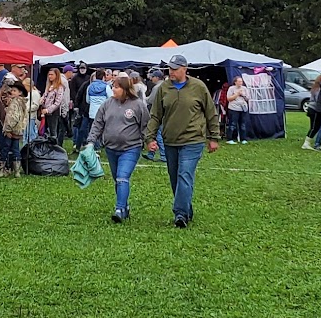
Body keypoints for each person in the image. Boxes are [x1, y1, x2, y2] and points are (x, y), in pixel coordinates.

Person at [143, 53, 220, 227]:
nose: (171, 72)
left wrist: (213, 137)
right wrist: (150, 137)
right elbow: (156, 115)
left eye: (175, 69)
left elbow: (210, 113)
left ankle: (180, 214)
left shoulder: (198, 87)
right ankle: (187, 209)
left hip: (193, 140)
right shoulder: (163, 88)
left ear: (185, 69)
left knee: (185, 174)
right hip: (170, 140)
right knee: (175, 179)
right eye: (170, 68)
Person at [90, 72, 149, 221]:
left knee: (123, 177)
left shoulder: (138, 105)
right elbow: (98, 123)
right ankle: (124, 206)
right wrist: (91, 141)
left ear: (125, 89)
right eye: (113, 86)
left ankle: (119, 210)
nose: (113, 89)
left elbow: (146, 125)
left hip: (131, 148)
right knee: (118, 179)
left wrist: (149, 141)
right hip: (111, 148)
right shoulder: (107, 104)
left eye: (116, 87)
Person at [0, 70, 29, 176]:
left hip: (11, 130)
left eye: (14, 91)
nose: (12, 92)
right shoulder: (22, 103)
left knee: (5, 149)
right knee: (16, 150)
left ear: (19, 92)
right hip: (18, 130)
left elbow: (12, 117)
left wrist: (8, 129)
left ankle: (1, 170)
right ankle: (17, 171)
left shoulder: (15, 104)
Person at [39, 67, 70, 145]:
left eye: (52, 75)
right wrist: (41, 99)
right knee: (44, 131)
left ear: (56, 75)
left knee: (53, 132)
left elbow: (58, 102)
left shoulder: (60, 87)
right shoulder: (49, 85)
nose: (50, 76)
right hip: (44, 110)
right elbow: (45, 95)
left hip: (53, 112)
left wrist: (48, 110)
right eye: (49, 75)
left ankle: (54, 148)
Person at [225, 73, 251, 144]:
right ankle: (229, 139)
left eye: (241, 81)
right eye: (239, 81)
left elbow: (248, 98)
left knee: (243, 124)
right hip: (233, 109)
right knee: (232, 124)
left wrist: (243, 95)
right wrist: (237, 94)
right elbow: (229, 98)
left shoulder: (244, 89)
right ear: (235, 82)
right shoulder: (231, 88)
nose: (240, 83)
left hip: (243, 109)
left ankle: (243, 139)